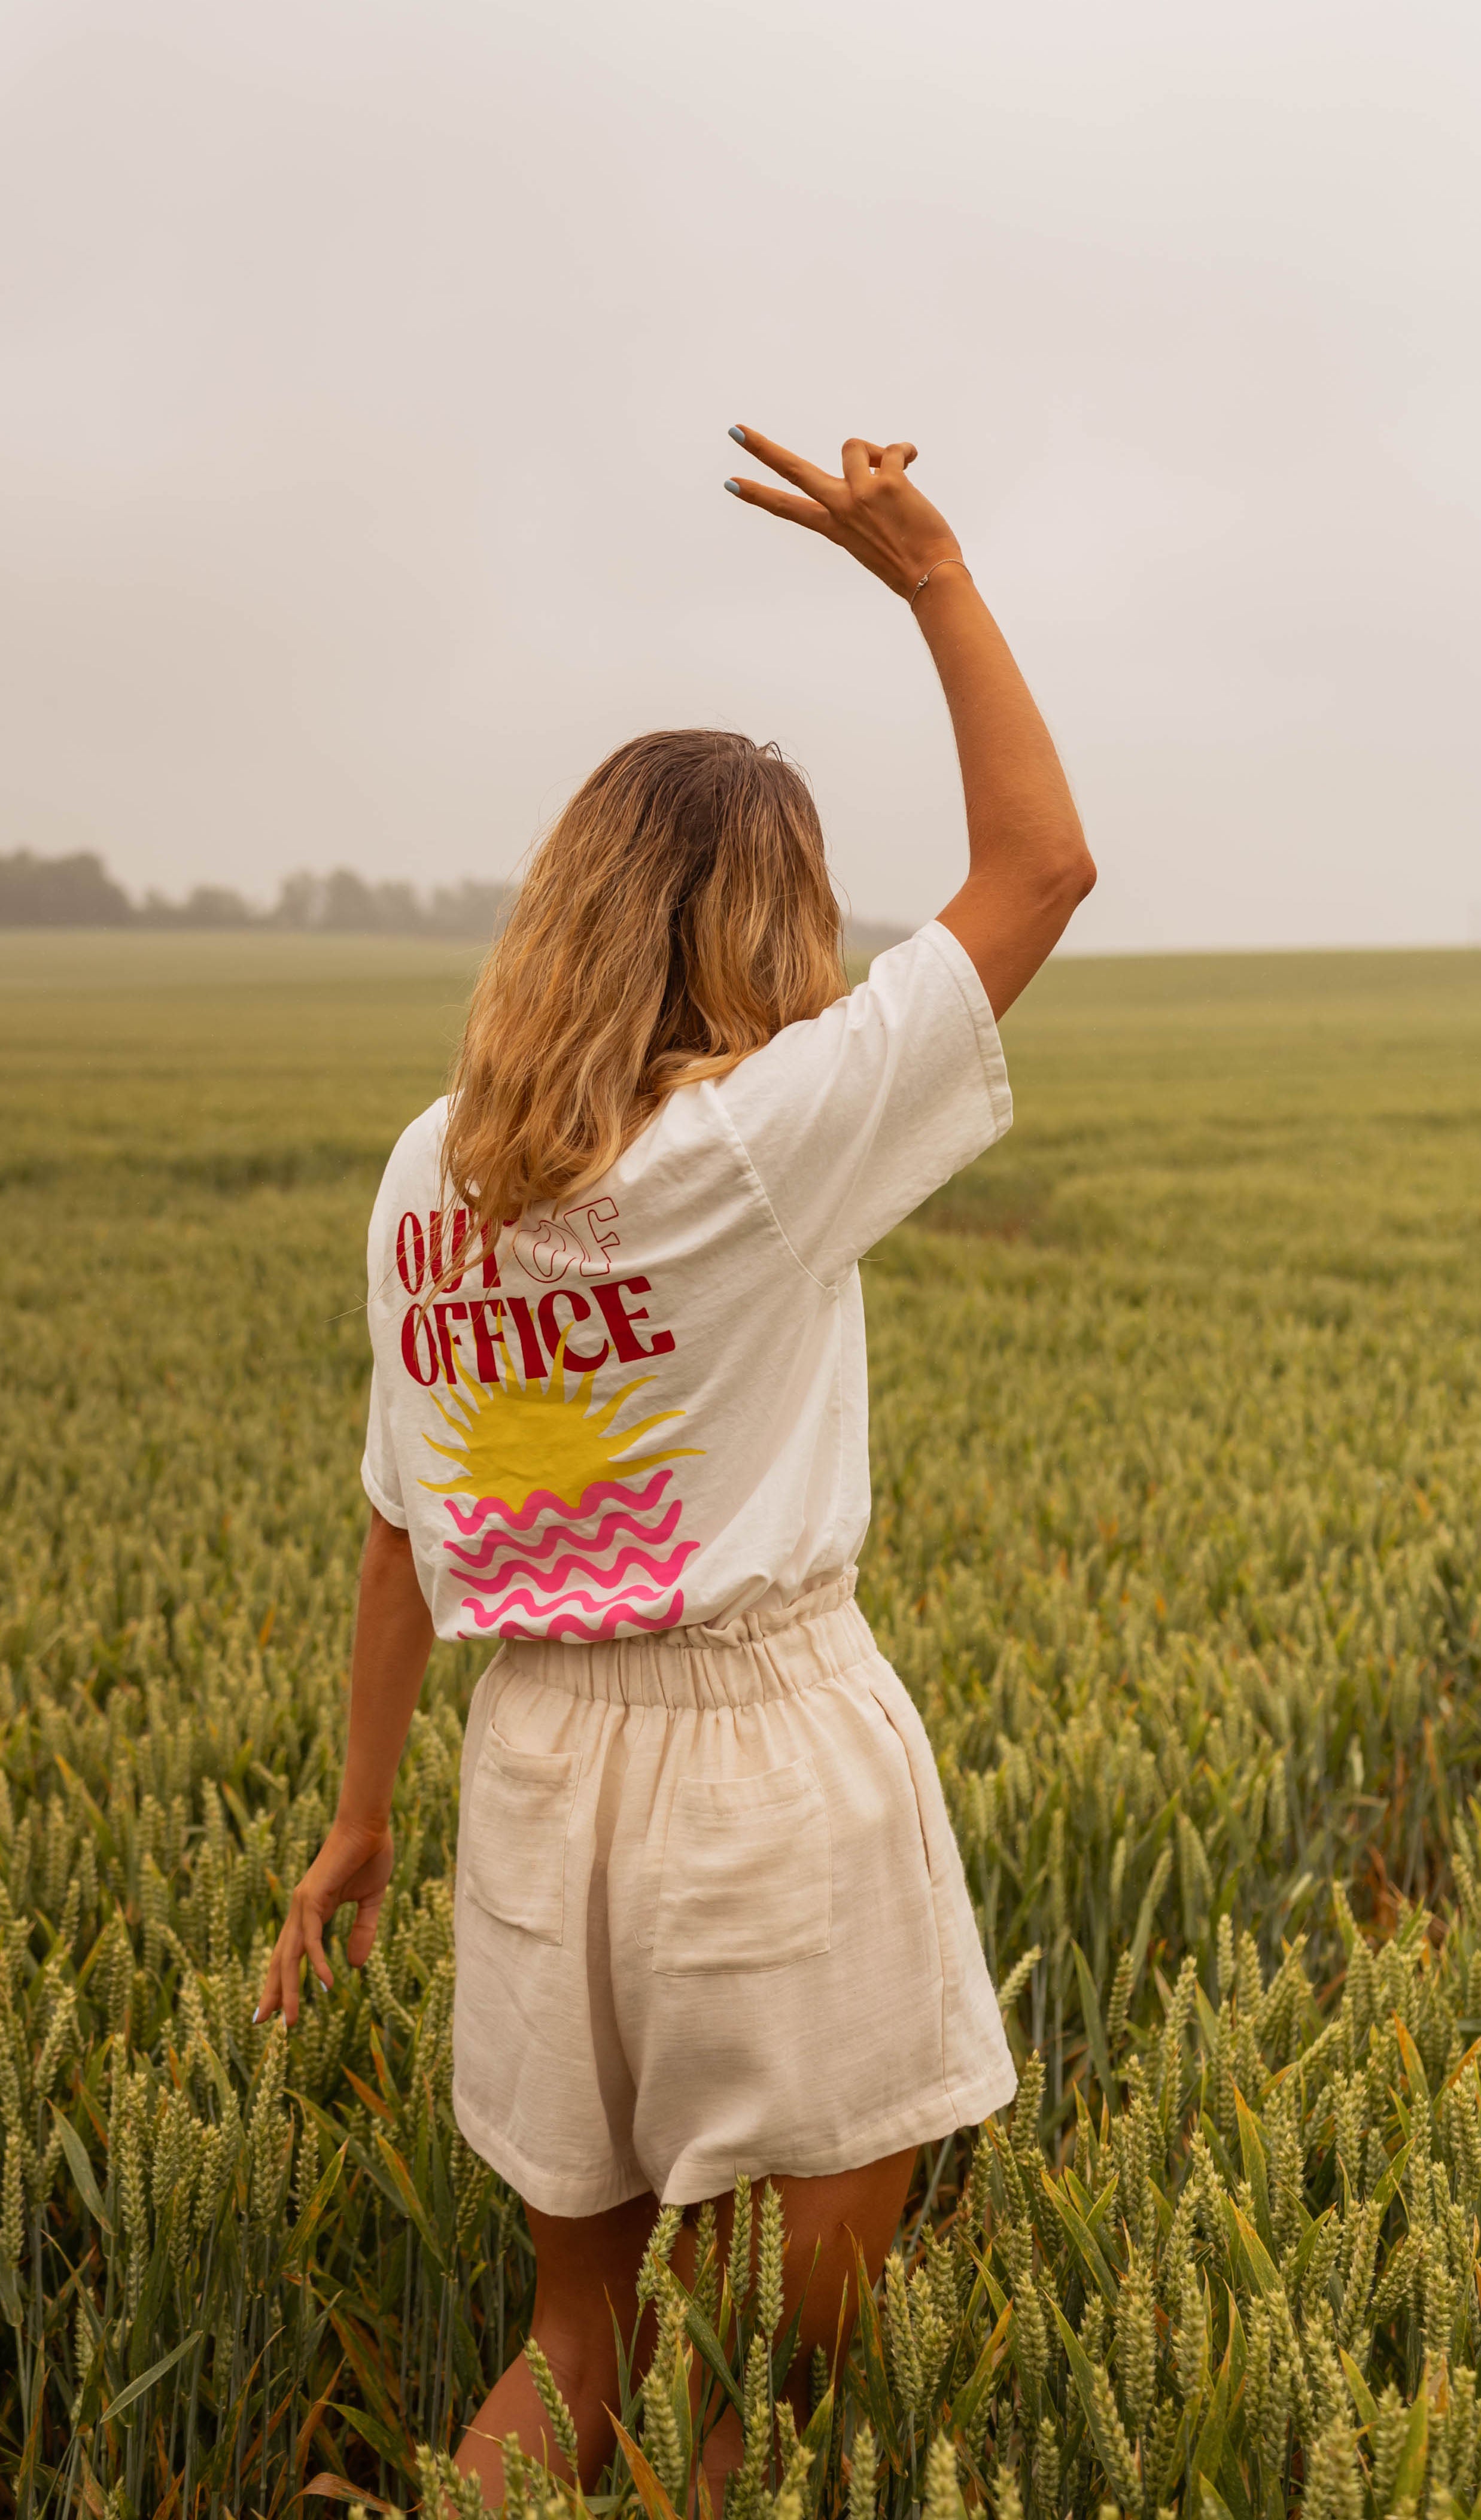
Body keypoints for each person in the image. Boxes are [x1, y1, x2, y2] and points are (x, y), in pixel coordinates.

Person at [257, 425, 1095, 2498]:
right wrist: (930, 573)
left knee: (570, 2345)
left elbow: (394, 1529)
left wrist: (361, 1823)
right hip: (760, 1787)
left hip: (536, 1785)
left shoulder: (421, 1179)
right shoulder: (749, 1147)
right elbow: (1040, 872)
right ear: (758, 917)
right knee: (764, 2405)